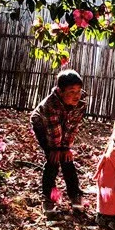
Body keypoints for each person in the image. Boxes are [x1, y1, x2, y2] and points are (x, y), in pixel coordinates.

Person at [30, 69, 87, 211]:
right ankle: (48, 197)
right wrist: (55, 149)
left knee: (67, 159)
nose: (76, 96)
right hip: (43, 125)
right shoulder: (50, 104)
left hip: (61, 124)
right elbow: (53, 129)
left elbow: (72, 127)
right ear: (60, 92)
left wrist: (66, 148)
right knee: (53, 159)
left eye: (79, 91)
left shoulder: (80, 104)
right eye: (71, 92)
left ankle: (75, 195)